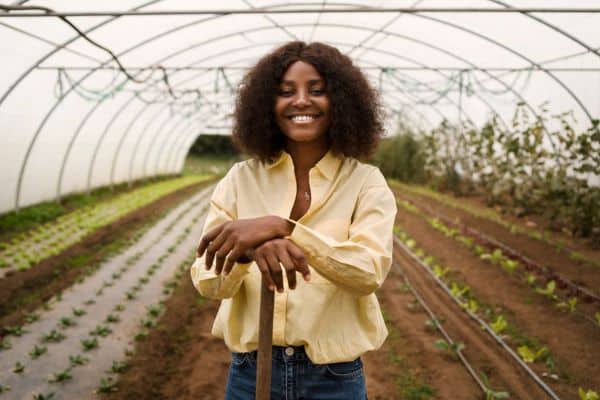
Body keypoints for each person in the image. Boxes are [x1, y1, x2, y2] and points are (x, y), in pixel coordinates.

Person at [190, 41, 397, 400]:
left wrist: (286, 229)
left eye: (317, 90)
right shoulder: (240, 180)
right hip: (250, 375)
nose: (301, 101)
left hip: (334, 378)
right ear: (268, 105)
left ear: (342, 103)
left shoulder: (365, 182)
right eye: (286, 92)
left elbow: (368, 271)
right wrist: (245, 253)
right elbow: (209, 282)